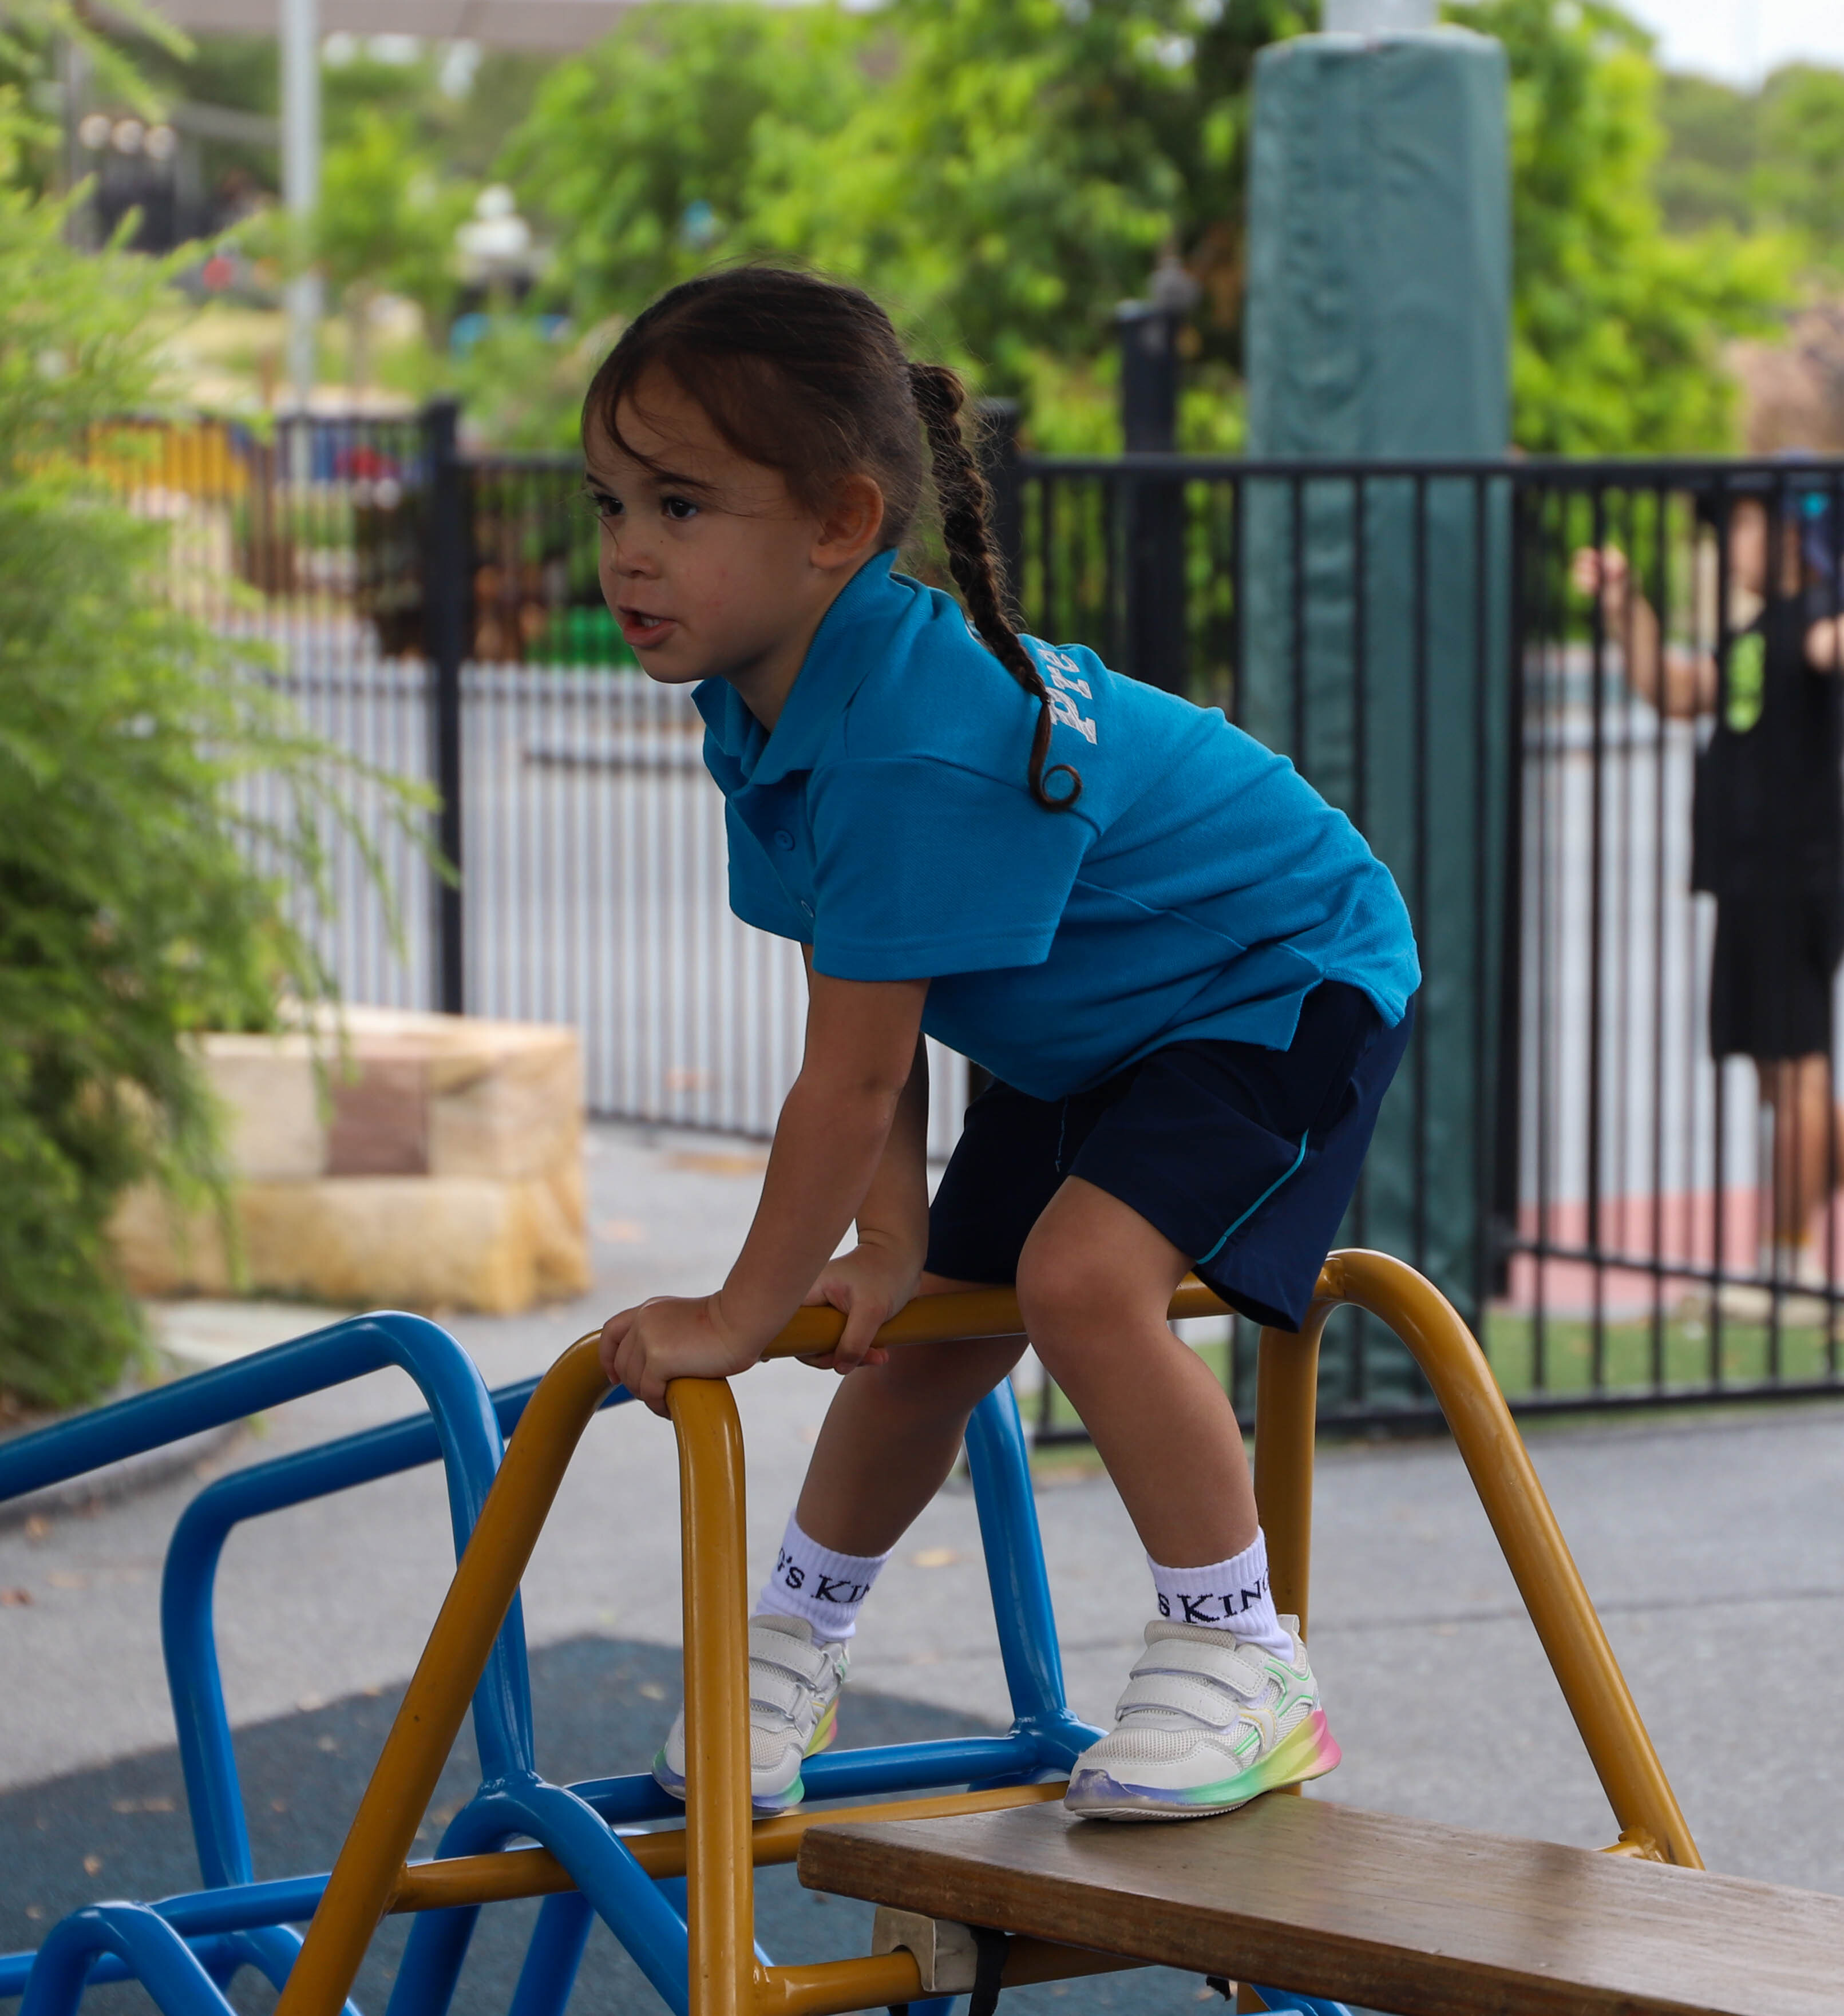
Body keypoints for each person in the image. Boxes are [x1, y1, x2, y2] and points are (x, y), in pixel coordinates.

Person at [588, 267, 1419, 1823]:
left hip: (1276, 972)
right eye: (612, 502)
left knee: (1079, 1281)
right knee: (921, 1335)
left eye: (680, 506)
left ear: (839, 524)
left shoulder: (906, 733)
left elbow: (850, 1078)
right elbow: (862, 1006)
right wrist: (888, 1241)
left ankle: (1244, 1653)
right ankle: (794, 1642)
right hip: (1098, 1025)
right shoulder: (771, 706)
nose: (628, 549)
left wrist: (738, 1309)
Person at [1573, 491, 1844, 1286]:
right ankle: (1788, 1250)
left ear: (1794, 533)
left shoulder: (1816, 618)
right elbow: (1673, 691)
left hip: (1796, 878)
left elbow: (1829, 647)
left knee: (1797, 1068)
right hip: (1747, 880)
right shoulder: (1753, 633)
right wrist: (1627, 609)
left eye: (1747, 521)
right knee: (1777, 1073)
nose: (1731, 539)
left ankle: (1788, 1266)